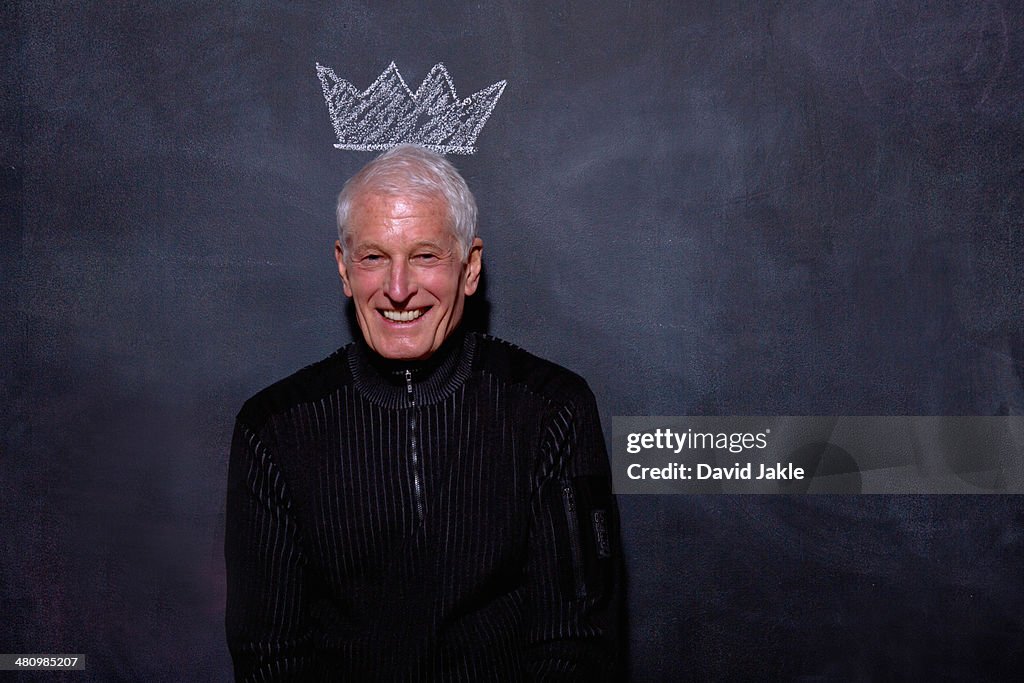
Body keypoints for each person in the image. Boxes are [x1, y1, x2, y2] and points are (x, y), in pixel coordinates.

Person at [225, 144, 623, 680]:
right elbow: (269, 655)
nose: (397, 288)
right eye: (373, 257)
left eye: (425, 256)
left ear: (470, 267)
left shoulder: (552, 410)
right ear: (344, 269)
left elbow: (575, 642)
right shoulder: (274, 429)